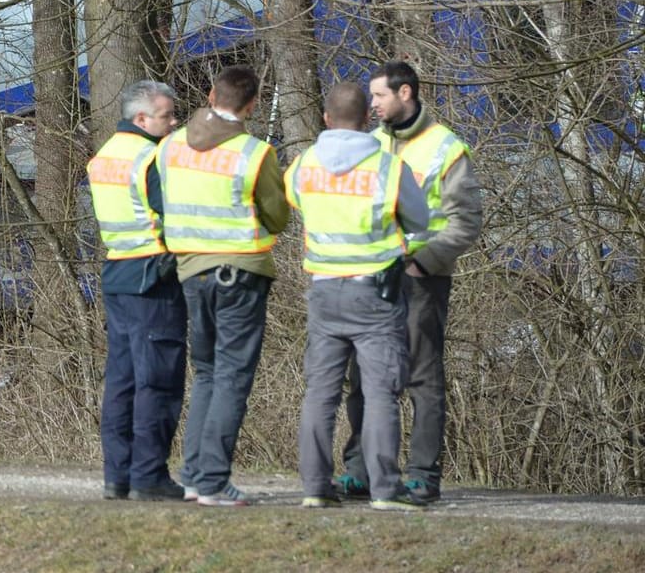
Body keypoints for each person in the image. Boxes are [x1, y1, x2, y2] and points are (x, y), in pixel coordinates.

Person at [338, 60, 482, 504]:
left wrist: (425, 259)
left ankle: (422, 475)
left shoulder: (445, 148)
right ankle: (360, 471)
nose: (372, 104)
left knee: (422, 378)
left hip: (422, 279)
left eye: (379, 95)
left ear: (406, 93)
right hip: (372, 277)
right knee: (363, 377)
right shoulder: (370, 145)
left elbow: (466, 221)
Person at [289, 81, 432, 512]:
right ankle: (386, 489)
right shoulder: (387, 166)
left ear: (327, 120)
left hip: (324, 290)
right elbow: (421, 220)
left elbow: (292, 202)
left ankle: (315, 486)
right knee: (380, 394)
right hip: (375, 293)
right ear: (366, 119)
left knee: (320, 393)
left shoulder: (303, 163)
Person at [158, 64, 289, 507]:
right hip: (240, 271)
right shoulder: (255, 153)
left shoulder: (171, 145)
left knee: (209, 372)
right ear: (252, 105)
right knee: (232, 375)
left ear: (211, 94)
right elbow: (278, 216)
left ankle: (195, 475)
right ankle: (213, 479)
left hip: (190, 270)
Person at [89, 80, 187, 502]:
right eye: (168, 115)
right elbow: (175, 214)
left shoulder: (104, 156)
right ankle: (149, 475)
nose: (175, 122)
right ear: (141, 119)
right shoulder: (151, 159)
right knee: (158, 380)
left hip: (118, 274)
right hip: (154, 275)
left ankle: (118, 474)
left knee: (122, 380)